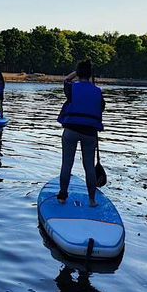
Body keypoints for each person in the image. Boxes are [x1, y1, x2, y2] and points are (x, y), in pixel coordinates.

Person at [57, 59, 105, 207]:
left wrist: (77, 73)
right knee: (89, 166)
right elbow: (101, 108)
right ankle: (92, 200)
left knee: (67, 164)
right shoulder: (98, 92)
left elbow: (66, 80)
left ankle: (63, 196)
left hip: (71, 131)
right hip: (89, 133)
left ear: (78, 73)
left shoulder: (72, 88)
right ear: (90, 74)